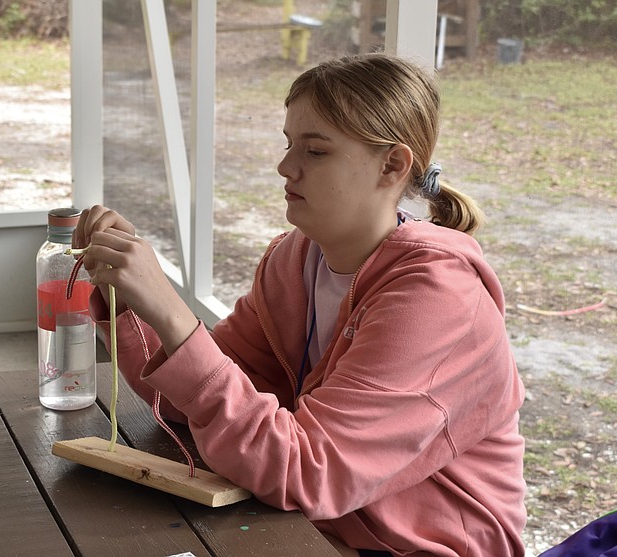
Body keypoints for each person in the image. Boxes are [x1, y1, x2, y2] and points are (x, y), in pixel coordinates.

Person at [73, 53, 527, 557]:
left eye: (315, 151)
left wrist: (174, 314)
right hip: (314, 524)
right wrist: (131, 300)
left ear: (393, 166)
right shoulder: (296, 260)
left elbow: (306, 472)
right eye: (290, 144)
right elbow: (191, 403)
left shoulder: (438, 298)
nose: (285, 167)